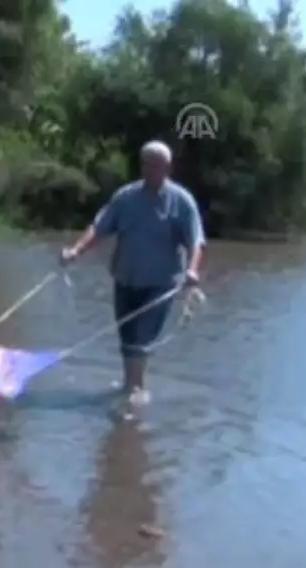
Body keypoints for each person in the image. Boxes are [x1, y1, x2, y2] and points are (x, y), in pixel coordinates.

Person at [59, 140, 205, 405]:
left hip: (161, 284)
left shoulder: (181, 201)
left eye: (156, 166)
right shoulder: (126, 197)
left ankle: (135, 391)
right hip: (125, 279)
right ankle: (131, 385)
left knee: (141, 338)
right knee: (127, 338)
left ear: (167, 168)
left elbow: (196, 241)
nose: (150, 170)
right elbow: (100, 227)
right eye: (146, 164)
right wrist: (76, 251)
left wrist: (192, 271)